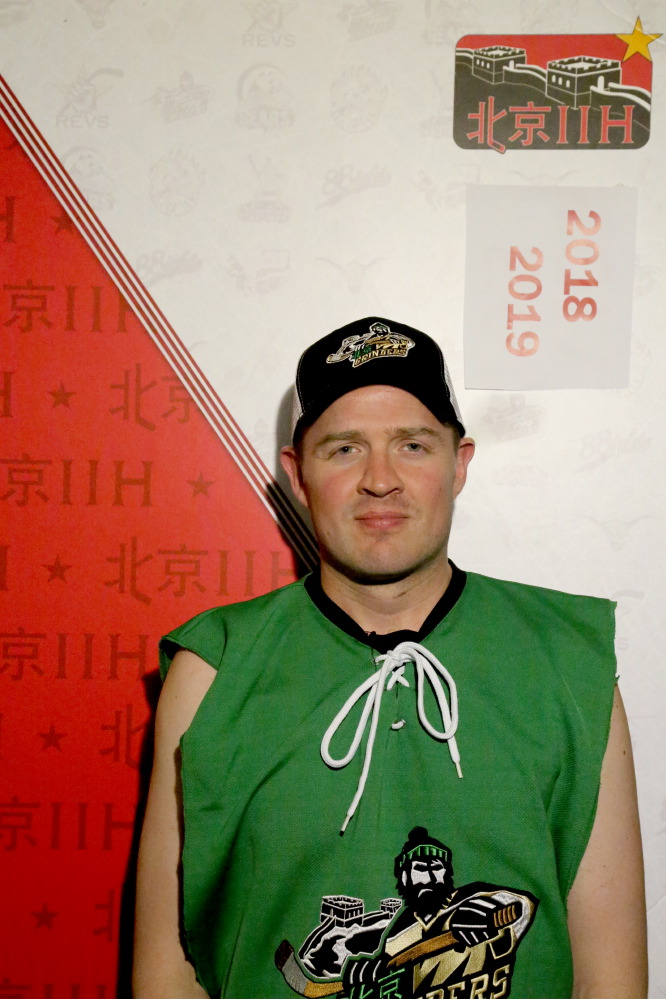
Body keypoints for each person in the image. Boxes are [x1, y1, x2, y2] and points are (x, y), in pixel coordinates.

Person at [133, 317, 647, 999]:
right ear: (298, 474)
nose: (380, 480)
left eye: (412, 445)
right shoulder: (213, 669)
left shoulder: (568, 659)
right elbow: (168, 973)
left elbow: (610, 976)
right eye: (345, 448)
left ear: (459, 463)